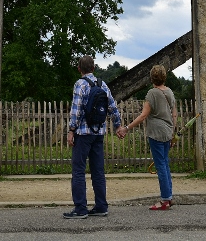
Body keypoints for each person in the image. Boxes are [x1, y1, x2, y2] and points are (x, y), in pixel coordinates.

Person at [63, 55, 125, 219]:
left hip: (83, 134)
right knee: (98, 171)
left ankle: (80, 208)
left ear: (79, 69)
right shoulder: (102, 84)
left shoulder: (80, 84)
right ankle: (101, 206)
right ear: (94, 68)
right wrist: (118, 125)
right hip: (99, 133)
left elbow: (76, 111)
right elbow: (112, 106)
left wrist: (71, 130)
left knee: (78, 171)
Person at [119, 64, 177, 210]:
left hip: (156, 132)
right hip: (167, 132)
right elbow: (174, 113)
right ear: (164, 77)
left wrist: (127, 128)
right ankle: (169, 197)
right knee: (165, 163)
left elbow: (143, 115)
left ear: (151, 78)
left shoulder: (152, 93)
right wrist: (172, 132)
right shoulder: (169, 92)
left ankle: (164, 200)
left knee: (160, 166)